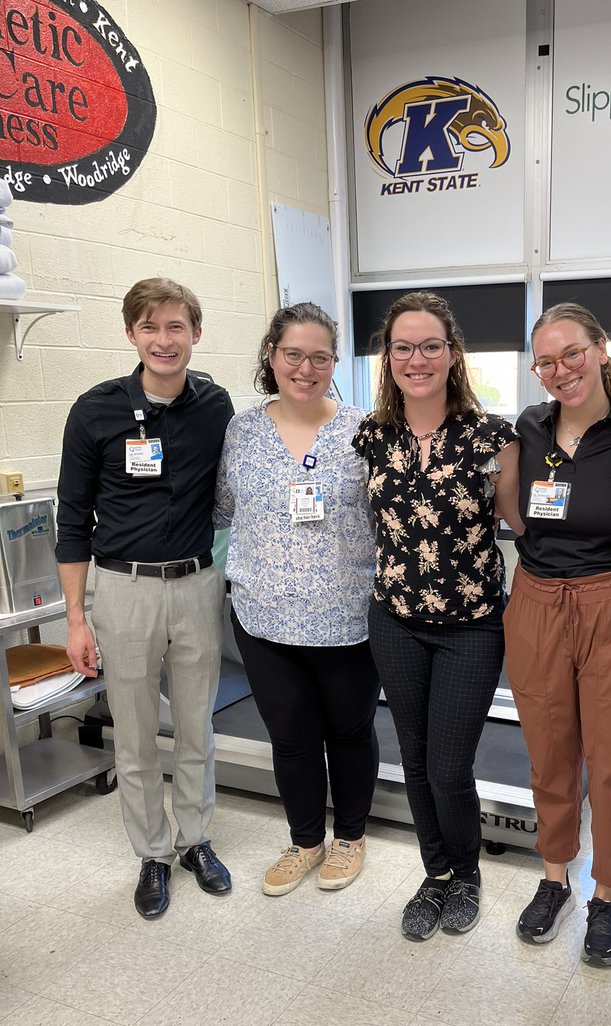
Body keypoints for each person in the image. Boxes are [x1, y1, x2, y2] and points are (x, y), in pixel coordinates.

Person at [505, 302, 611, 965]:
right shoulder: (529, 427)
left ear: (601, 349)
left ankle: (607, 893)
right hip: (539, 602)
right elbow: (521, 520)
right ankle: (556, 878)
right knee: (550, 751)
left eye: (571, 353)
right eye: (546, 361)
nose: (561, 370)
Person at [56, 278, 234, 919]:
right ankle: (152, 853)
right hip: (122, 591)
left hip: (195, 586)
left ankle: (195, 839)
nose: (164, 340)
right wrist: (77, 619)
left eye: (176, 327)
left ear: (196, 334)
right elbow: (71, 521)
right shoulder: (95, 410)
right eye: (151, 327)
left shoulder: (217, 407)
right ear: (132, 335)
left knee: (196, 728)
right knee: (132, 736)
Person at [353, 291, 520, 940]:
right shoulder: (372, 435)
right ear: (388, 357)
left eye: (430, 346)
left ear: (452, 355)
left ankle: (468, 873)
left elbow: (524, 527)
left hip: (470, 629)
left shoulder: (491, 437)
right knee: (416, 761)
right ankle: (437, 875)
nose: (416, 358)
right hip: (393, 619)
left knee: (450, 768)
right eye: (402, 347)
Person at [214, 303, 379, 894]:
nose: (305, 368)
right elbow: (224, 510)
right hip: (263, 615)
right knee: (291, 736)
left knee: (350, 731)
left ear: (334, 362)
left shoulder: (365, 428)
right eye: (293, 355)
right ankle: (306, 840)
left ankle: (350, 838)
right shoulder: (242, 429)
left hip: (347, 616)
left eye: (320, 357)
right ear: (271, 356)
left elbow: (388, 517)